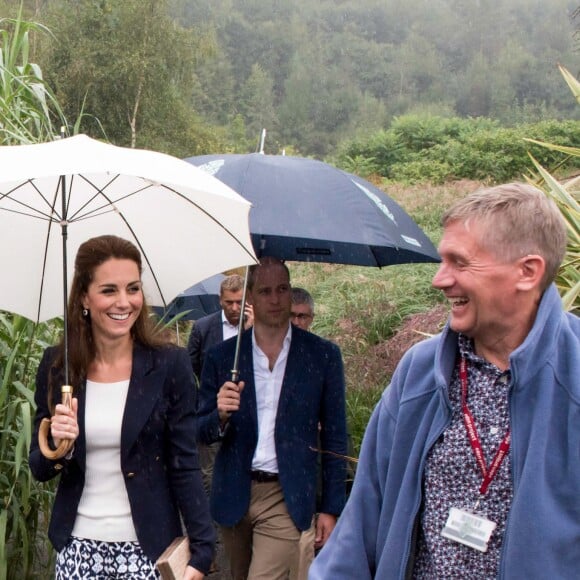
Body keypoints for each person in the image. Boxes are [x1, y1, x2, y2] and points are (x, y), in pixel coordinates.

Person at [309, 182, 580, 579]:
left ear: (527, 272)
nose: (440, 279)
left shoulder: (572, 379)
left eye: (460, 263)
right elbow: (365, 515)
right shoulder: (419, 371)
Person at [29, 235, 215, 580]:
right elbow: (39, 468)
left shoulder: (169, 365)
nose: (124, 302)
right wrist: (57, 444)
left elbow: (184, 463)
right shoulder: (58, 365)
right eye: (109, 290)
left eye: (133, 288)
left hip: (148, 550)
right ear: (84, 296)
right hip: (78, 548)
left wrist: (203, 551)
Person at [197, 257, 348, 580]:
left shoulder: (321, 355)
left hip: (286, 493)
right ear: (250, 296)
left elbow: (336, 435)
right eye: (265, 291)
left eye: (282, 289)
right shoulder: (223, 357)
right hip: (234, 490)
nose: (276, 299)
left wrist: (332, 507)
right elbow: (199, 429)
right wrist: (220, 415)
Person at [187, 273, 253, 381]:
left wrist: (250, 332)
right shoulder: (202, 328)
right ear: (220, 300)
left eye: (239, 302)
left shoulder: (256, 327)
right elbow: (191, 371)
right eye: (229, 302)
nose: (234, 308)